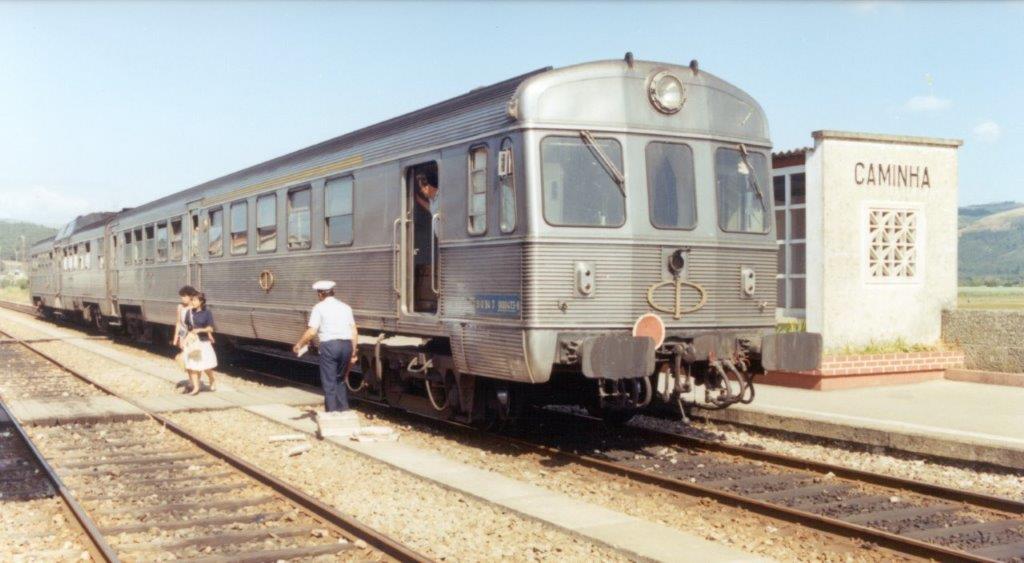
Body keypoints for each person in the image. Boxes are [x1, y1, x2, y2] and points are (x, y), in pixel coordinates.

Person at [292, 281, 358, 412]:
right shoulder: (346, 307)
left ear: (321, 293)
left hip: (330, 346)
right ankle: (344, 412)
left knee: (329, 383)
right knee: (340, 380)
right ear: (332, 292)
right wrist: (353, 352)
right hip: (346, 345)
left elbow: (312, 331)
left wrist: (299, 344)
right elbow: (354, 331)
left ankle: (332, 414)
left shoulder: (319, 307)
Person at [184, 292, 218, 395]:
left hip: (203, 342)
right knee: (192, 365)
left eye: (195, 300)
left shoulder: (207, 313)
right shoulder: (189, 313)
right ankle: (196, 387)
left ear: (201, 302)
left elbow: (211, 328)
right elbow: (187, 328)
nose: (192, 302)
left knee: (206, 366)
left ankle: (212, 379)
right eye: (192, 300)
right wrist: (184, 339)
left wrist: (200, 330)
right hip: (193, 342)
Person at [172, 285, 198, 350]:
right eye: (181, 296)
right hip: (183, 331)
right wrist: (176, 337)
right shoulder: (180, 307)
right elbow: (179, 323)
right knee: (183, 348)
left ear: (191, 296)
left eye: (184, 296)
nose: (182, 298)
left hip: (193, 334)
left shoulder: (195, 307)